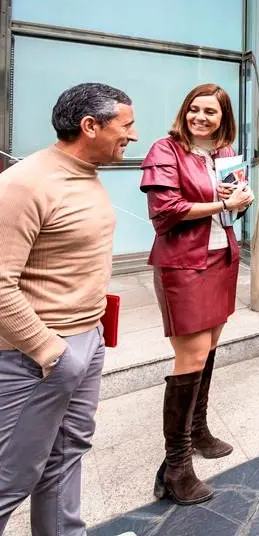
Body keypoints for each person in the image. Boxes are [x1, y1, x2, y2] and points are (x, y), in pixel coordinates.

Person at [0, 83, 137, 534]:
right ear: (90, 126)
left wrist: (89, 336)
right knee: (11, 477)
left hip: (85, 340)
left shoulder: (88, 172)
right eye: (126, 125)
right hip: (34, 355)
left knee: (66, 457)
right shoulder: (23, 184)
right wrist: (50, 352)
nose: (133, 136)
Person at [141, 84, 253, 506]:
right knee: (190, 355)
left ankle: (199, 430)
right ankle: (175, 466)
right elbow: (166, 212)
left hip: (222, 259)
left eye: (210, 111)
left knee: (209, 350)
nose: (200, 117)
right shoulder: (164, 150)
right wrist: (220, 203)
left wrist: (240, 201)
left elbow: (233, 206)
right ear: (184, 112)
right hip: (183, 264)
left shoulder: (225, 155)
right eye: (194, 109)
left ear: (224, 117)